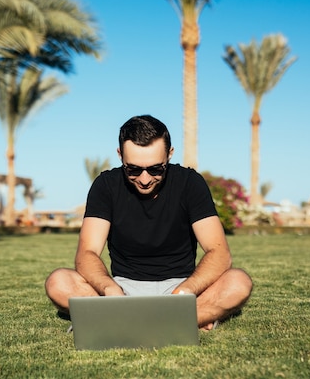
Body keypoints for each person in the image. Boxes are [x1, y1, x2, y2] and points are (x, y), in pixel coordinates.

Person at [45, 114, 253, 330]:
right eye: (133, 169)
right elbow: (86, 253)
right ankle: (179, 321)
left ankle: (116, 320)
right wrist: (110, 290)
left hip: (182, 288)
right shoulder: (105, 186)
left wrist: (184, 292)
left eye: (155, 169)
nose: (144, 179)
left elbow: (219, 252)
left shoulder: (190, 183)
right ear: (120, 155)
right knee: (58, 282)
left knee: (239, 282)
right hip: (121, 290)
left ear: (170, 154)